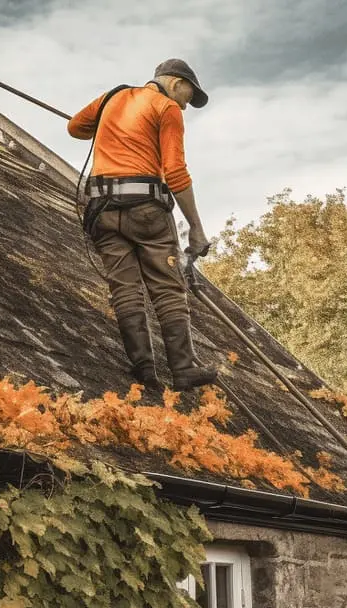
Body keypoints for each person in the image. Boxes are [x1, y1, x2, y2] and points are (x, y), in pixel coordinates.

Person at [68, 58, 218, 391]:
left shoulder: (111, 98)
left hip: (102, 212)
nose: (186, 105)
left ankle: (145, 369)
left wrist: (114, 129)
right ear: (176, 82)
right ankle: (182, 370)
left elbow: (75, 128)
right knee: (167, 288)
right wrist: (196, 227)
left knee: (124, 288)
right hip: (146, 213)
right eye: (188, 96)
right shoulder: (167, 109)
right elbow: (176, 172)